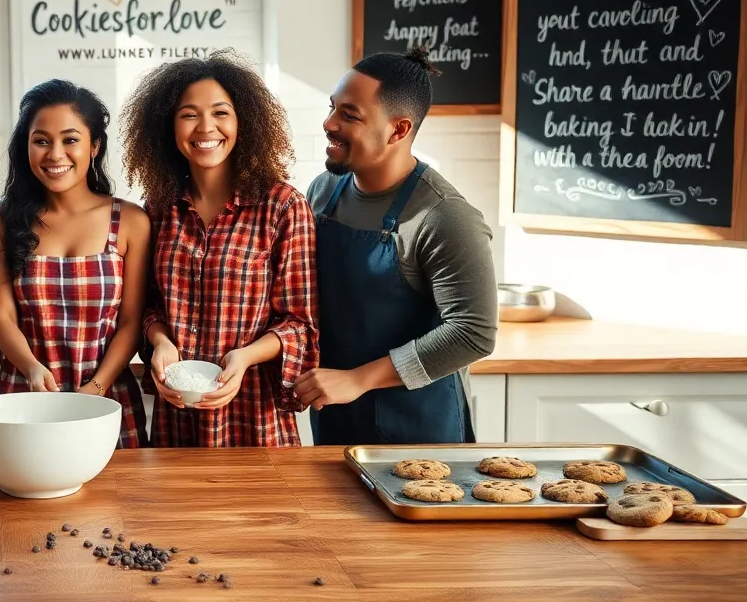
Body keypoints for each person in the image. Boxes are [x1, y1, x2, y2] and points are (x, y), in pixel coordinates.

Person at [297, 47, 497, 445]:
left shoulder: (444, 216)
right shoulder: (322, 193)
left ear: (398, 129)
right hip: (337, 415)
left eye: (349, 115)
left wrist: (359, 379)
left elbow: (473, 333)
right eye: (333, 107)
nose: (329, 123)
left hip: (417, 428)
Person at [121, 50, 319, 447]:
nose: (205, 127)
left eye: (221, 112)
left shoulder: (283, 206)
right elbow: (148, 307)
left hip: (253, 419)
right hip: (176, 417)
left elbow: (300, 324)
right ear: (169, 126)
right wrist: (160, 343)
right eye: (189, 114)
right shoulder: (157, 209)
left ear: (244, 120)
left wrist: (244, 358)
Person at [0, 79, 150, 448]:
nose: (55, 153)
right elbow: (3, 317)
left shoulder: (131, 221)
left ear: (94, 146)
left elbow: (130, 323)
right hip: (25, 398)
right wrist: (30, 368)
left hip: (106, 401)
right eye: (41, 140)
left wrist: (96, 387)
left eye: (70, 140)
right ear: (25, 147)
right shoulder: (1, 218)